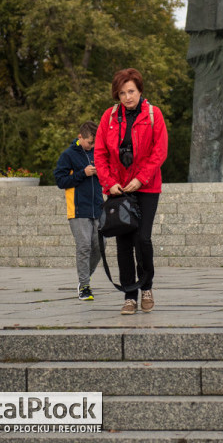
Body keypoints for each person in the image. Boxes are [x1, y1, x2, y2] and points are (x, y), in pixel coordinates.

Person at [95, 68, 168, 315]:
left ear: (139, 91)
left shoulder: (153, 114)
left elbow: (160, 151)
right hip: (117, 188)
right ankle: (130, 296)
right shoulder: (109, 117)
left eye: (131, 91)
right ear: (117, 94)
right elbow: (100, 153)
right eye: (122, 92)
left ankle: (146, 287)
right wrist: (109, 182)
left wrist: (141, 178)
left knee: (142, 239)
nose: (127, 97)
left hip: (146, 187)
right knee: (123, 242)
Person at [54, 121, 103, 301]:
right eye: (90, 142)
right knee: (84, 247)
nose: (93, 145)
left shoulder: (98, 153)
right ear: (80, 137)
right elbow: (61, 181)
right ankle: (84, 286)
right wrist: (83, 173)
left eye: (95, 143)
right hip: (78, 209)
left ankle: (85, 276)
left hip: (97, 208)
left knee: (99, 247)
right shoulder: (68, 155)